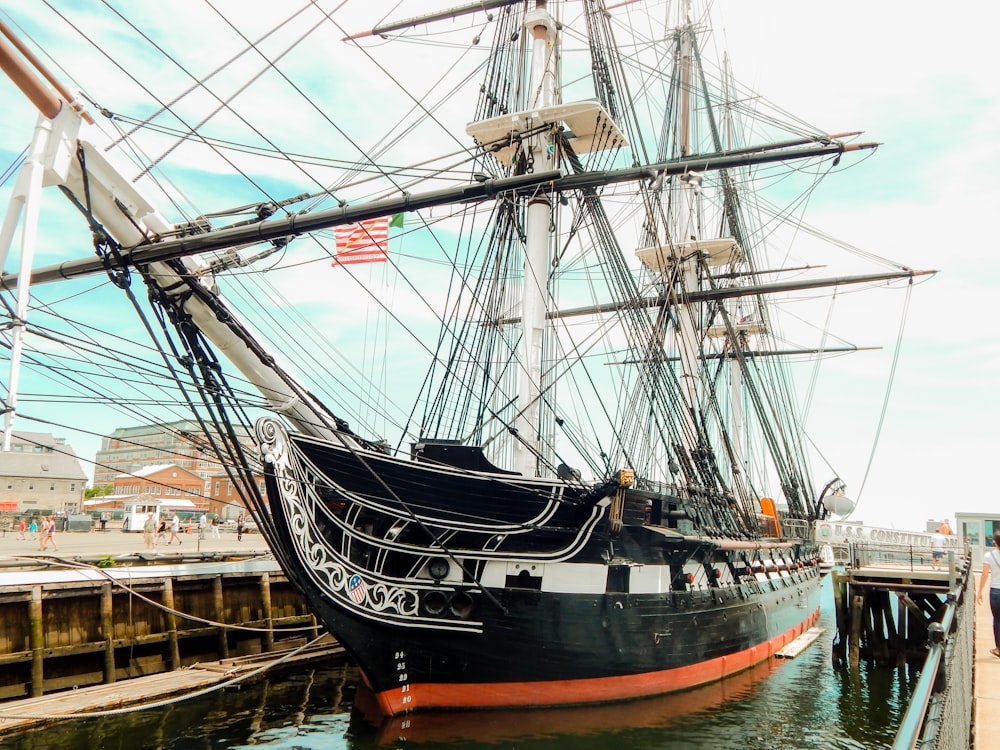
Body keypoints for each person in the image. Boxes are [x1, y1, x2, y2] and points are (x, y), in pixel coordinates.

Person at [976, 531, 1000, 659]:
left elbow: (985, 574)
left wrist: (980, 591)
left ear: (995, 543)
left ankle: (998, 648)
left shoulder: (988, 555)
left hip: (995, 591)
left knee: (997, 619)